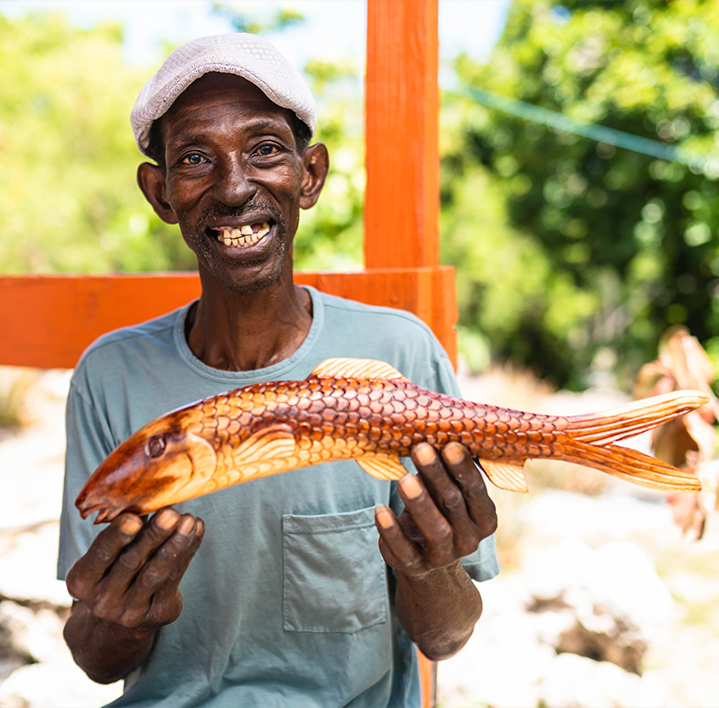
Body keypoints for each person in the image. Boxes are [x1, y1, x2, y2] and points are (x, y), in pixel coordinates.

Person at [58, 33, 499, 707]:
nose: (234, 187)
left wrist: (431, 566)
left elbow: (444, 638)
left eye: (264, 149)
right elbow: (94, 660)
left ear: (310, 174)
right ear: (160, 194)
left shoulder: (397, 354)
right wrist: (115, 614)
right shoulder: (112, 375)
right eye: (195, 159)